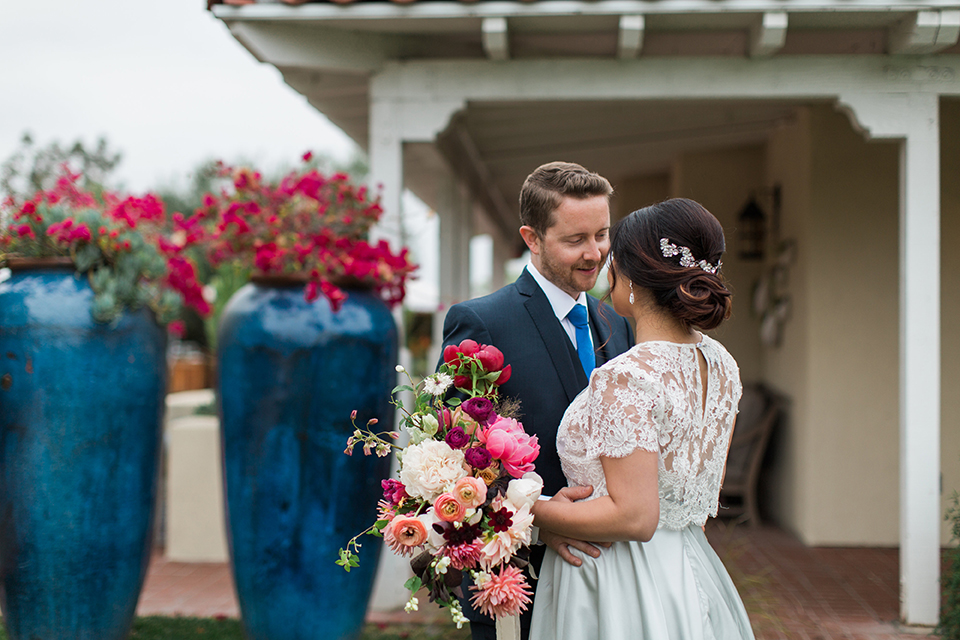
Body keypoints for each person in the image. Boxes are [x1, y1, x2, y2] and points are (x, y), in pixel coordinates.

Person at [529, 197, 755, 640]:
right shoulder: (721, 363)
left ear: (629, 278)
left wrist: (532, 511)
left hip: (617, 579)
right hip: (689, 567)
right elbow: (689, 491)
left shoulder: (627, 375)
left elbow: (635, 517)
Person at [438, 161, 635, 640]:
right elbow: (453, 459)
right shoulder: (481, 322)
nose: (596, 254)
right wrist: (541, 517)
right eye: (575, 240)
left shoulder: (620, 326)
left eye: (603, 235)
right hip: (522, 576)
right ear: (531, 237)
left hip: (617, 577)